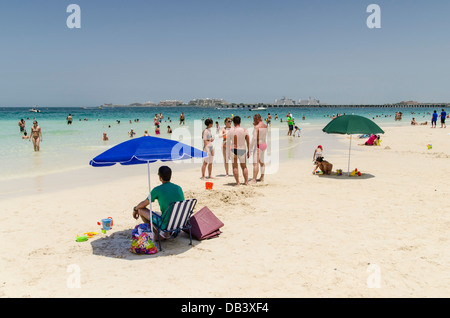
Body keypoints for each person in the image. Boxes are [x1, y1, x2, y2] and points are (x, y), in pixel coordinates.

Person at [132, 166, 185, 240]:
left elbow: (144, 203)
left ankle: (158, 234)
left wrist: (135, 209)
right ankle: (169, 232)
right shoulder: (178, 188)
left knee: (140, 210)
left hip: (166, 224)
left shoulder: (157, 190)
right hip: (178, 222)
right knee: (158, 212)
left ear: (160, 177)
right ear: (170, 176)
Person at [226, 116, 250, 186]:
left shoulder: (230, 131)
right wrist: (249, 150)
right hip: (242, 149)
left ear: (233, 122)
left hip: (233, 150)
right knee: (244, 167)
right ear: (240, 121)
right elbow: (248, 141)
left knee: (235, 167)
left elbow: (228, 143)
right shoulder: (244, 130)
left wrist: (227, 152)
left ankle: (238, 183)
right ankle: (246, 182)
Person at [249, 114, 267, 184]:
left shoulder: (257, 127)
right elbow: (262, 134)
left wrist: (250, 149)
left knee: (255, 163)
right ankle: (262, 177)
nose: (253, 121)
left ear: (257, 119)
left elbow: (254, 138)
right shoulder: (265, 125)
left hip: (258, 145)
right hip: (264, 144)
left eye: (254, 120)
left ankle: (254, 180)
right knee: (262, 162)